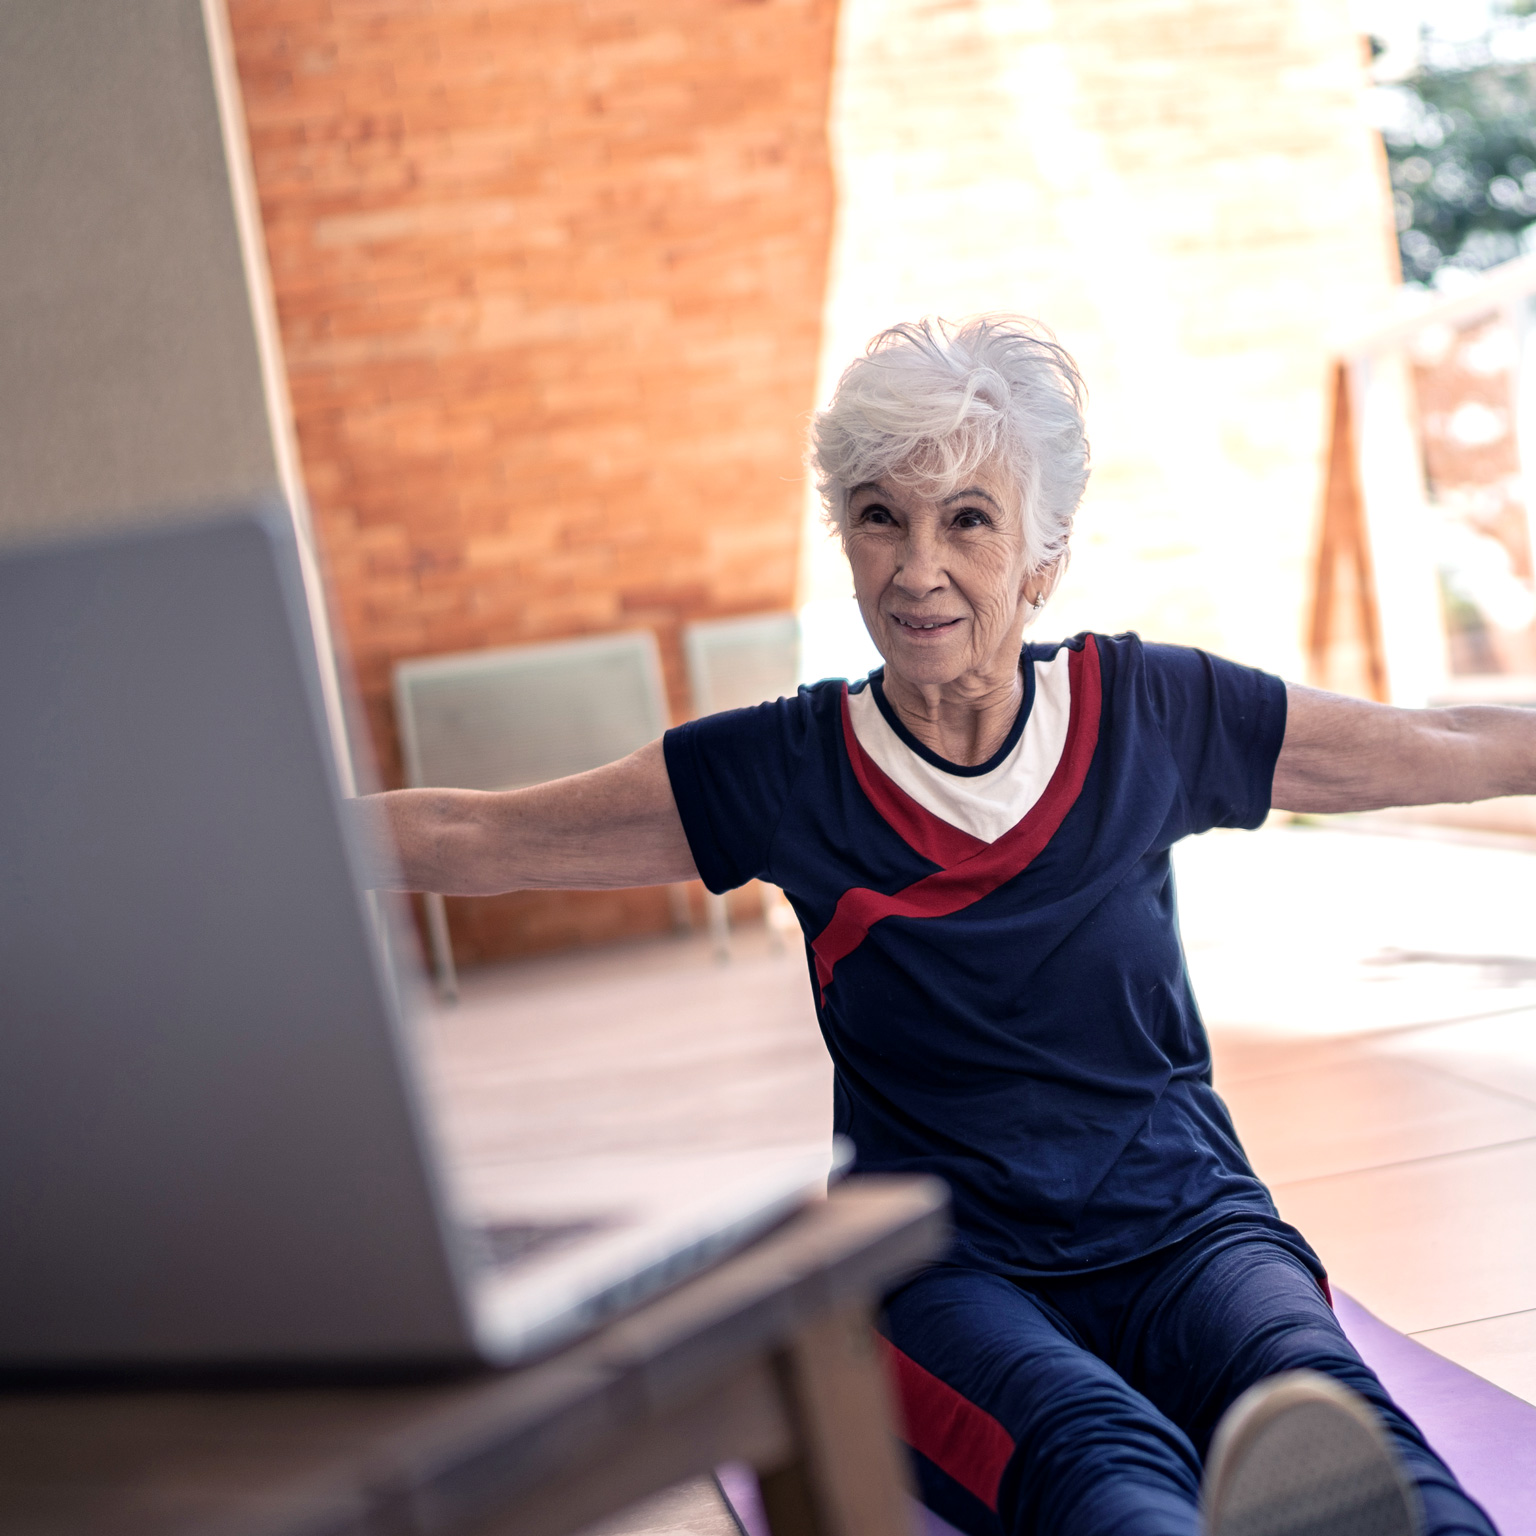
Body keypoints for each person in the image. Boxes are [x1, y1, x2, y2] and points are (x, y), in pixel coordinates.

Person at [361, 317, 1518, 1536]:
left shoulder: (1151, 711)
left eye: (967, 520)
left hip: (1189, 1227)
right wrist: (254, 842)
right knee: (1104, 1471)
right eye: (881, 518)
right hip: (944, 1269)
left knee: (1344, 1430)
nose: (918, 569)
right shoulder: (786, 768)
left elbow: (1436, 741)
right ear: (847, 541)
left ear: (1041, 559)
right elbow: (483, 834)